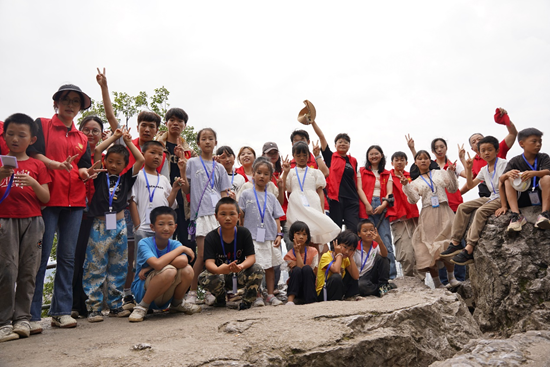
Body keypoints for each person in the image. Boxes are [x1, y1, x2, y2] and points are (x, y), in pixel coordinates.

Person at [29, 84, 98, 331]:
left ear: (80, 109)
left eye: (76, 102)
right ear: (56, 102)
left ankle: (61, 311)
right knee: (39, 257)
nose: (70, 105)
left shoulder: (81, 138)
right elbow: (31, 152)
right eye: (66, 99)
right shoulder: (42, 125)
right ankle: (31, 315)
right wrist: (53, 164)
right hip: (47, 199)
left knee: (68, 258)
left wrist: (85, 172)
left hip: (76, 202)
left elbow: (82, 166)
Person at [72, 68, 121, 318]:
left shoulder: (102, 156)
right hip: (75, 211)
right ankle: (74, 305)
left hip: (97, 215)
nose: (90, 134)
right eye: (86, 130)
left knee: (94, 260)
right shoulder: (75, 152)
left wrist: (104, 88)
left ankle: (89, 305)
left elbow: (112, 120)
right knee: (75, 256)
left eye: (94, 130)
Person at [83, 127, 144, 322]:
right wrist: (114, 137)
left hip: (119, 226)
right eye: (110, 161)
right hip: (100, 226)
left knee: (119, 266)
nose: (113, 165)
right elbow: (96, 151)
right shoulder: (100, 174)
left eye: (119, 163)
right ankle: (94, 307)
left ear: (125, 165)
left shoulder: (126, 179)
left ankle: (116, 306)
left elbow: (141, 160)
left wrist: (127, 142)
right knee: (95, 265)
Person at [0, 113, 50, 342]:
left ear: (32, 139)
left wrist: (32, 182)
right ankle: (3, 322)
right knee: (6, 271)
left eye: (22, 135)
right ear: (4, 135)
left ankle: (22, 318)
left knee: (29, 270)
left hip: (33, 221)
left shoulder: (37, 164)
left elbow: (46, 197)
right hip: (5, 220)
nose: (15, 139)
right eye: (10, 134)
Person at [406, 136, 466, 284]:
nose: (423, 160)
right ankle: (437, 283)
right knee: (429, 247)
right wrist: (405, 186)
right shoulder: (415, 181)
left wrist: (451, 173)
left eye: (426, 158)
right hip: (427, 214)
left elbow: (452, 188)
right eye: (419, 158)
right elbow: (413, 199)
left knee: (448, 243)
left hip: (445, 210)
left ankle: (452, 278)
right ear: (416, 162)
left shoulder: (440, 172)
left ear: (430, 160)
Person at [440, 136, 509, 265]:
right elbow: (471, 184)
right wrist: (469, 167)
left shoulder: (504, 164)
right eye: (483, 150)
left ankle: (469, 249)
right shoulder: (484, 169)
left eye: (489, 149)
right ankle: (455, 242)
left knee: (480, 211)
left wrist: (504, 205)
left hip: (504, 196)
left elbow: (508, 185)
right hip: (492, 196)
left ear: (497, 150)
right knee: (463, 207)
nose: (486, 153)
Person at [181, 128, 231, 305]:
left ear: (216, 142)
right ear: (198, 143)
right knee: (201, 255)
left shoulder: (220, 168)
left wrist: (229, 213)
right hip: (201, 214)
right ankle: (193, 292)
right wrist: (181, 171)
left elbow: (224, 192)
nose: (208, 141)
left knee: (218, 256)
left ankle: (212, 291)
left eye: (211, 138)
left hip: (217, 215)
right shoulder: (192, 163)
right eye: (204, 138)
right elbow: (186, 189)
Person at [128, 206, 201, 322]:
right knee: (170, 270)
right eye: (161, 224)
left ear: (175, 227)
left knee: (187, 270)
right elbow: (158, 265)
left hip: (165, 294)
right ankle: (141, 307)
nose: (166, 228)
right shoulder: (144, 243)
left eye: (170, 224)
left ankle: (177, 304)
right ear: (152, 227)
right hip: (143, 291)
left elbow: (183, 262)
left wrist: (150, 267)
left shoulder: (174, 244)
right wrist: (181, 249)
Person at [199, 197, 265, 310]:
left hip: (239, 273)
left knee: (257, 269)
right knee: (204, 277)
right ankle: (220, 298)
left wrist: (241, 266)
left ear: (238, 216)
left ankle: (247, 301)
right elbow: (209, 262)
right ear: (216, 217)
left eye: (232, 214)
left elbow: (251, 257)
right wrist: (219, 270)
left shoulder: (244, 233)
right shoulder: (211, 237)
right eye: (223, 214)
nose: (228, 218)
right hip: (221, 275)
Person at [238, 158, 285, 306]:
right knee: (255, 266)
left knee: (270, 266)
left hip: (269, 236)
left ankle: (270, 294)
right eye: (259, 172)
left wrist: (279, 234)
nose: (262, 176)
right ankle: (257, 294)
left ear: (270, 178)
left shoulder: (271, 197)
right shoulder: (246, 194)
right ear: (253, 174)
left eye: (266, 174)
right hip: (251, 236)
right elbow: (241, 214)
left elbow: (277, 216)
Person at [282, 142, 340, 253]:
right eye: (298, 155)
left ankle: (316, 266)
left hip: (313, 203)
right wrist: (285, 173)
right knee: (298, 236)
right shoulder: (290, 172)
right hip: (296, 205)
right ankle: (299, 265)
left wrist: (322, 211)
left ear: (309, 155)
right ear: (293, 156)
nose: (302, 158)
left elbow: (320, 192)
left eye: (305, 155)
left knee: (315, 234)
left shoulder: (315, 172)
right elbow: (283, 187)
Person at [156, 107, 197, 253]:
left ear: (184, 125)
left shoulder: (190, 152)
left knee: (187, 240)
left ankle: (188, 274)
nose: (175, 124)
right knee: (163, 239)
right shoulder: (157, 145)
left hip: (184, 200)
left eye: (180, 121)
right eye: (172, 120)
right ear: (166, 123)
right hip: (163, 195)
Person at [129, 141, 184, 246]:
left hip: (163, 230)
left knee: (163, 258)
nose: (157, 157)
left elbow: (169, 205)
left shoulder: (163, 179)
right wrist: (137, 226)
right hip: (144, 228)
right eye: (152, 153)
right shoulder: (138, 176)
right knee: (144, 259)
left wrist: (174, 190)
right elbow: (132, 200)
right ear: (142, 154)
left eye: (160, 154)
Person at [310, 120, 360, 233]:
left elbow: (354, 180)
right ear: (335, 145)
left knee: (353, 229)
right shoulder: (330, 156)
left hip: (351, 199)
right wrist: (313, 122)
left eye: (346, 142)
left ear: (349, 146)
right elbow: (321, 136)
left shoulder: (353, 161)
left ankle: (351, 250)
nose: (343, 144)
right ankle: (335, 250)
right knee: (335, 229)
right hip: (335, 199)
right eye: (340, 142)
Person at [357, 145, 397, 279]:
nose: (374, 156)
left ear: (381, 155)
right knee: (366, 240)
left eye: (376, 153)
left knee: (385, 240)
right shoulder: (361, 171)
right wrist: (367, 205)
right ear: (367, 157)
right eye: (371, 154)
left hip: (382, 205)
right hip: (365, 205)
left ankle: (390, 275)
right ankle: (367, 274)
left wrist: (383, 205)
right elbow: (359, 189)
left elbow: (390, 192)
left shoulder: (386, 173)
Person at [502, 128, 550, 231]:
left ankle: (545, 214)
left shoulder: (544, 157)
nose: (538, 144)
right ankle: (516, 216)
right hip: (522, 197)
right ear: (521, 144)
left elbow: (548, 171)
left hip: (541, 196)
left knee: (546, 178)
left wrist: (534, 173)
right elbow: (501, 179)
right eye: (534, 141)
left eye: (540, 141)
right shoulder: (515, 161)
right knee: (507, 179)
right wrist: (508, 174)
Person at [466, 108, 517, 197]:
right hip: (488, 192)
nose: (477, 142)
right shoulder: (473, 163)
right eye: (473, 142)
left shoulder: (497, 148)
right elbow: (470, 184)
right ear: (472, 149)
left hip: (504, 188)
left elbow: (512, 134)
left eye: (479, 139)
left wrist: (506, 120)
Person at [388, 151, 419, 278]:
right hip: (398, 218)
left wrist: (412, 149)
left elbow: (420, 163)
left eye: (402, 160)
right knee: (405, 252)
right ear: (392, 163)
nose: (399, 162)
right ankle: (407, 278)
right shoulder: (387, 177)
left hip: (413, 217)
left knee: (418, 250)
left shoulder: (411, 176)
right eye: (396, 160)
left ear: (407, 163)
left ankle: (420, 280)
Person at [315, 230, 361, 301]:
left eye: (351, 249)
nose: (347, 251)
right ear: (337, 244)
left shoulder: (346, 259)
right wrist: (339, 253)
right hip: (324, 292)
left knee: (351, 272)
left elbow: (356, 276)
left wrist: (351, 257)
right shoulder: (326, 256)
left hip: (337, 290)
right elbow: (336, 270)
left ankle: (350, 296)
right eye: (345, 247)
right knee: (336, 277)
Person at [354, 220, 393, 297]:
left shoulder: (376, 245)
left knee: (383, 259)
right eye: (365, 231)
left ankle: (383, 285)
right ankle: (380, 289)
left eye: (371, 230)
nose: (369, 233)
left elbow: (385, 255)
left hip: (373, 273)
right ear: (359, 234)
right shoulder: (355, 247)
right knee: (361, 286)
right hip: (361, 277)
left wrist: (379, 241)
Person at [284, 221, 319, 305]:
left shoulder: (313, 251)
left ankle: (310, 301)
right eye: (298, 233)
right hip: (297, 289)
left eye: (304, 234)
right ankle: (290, 300)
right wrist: (297, 252)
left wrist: (296, 262)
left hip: (310, 287)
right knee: (297, 270)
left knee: (307, 269)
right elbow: (299, 268)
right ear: (292, 235)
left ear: (307, 237)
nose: (301, 237)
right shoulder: (289, 255)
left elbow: (315, 272)